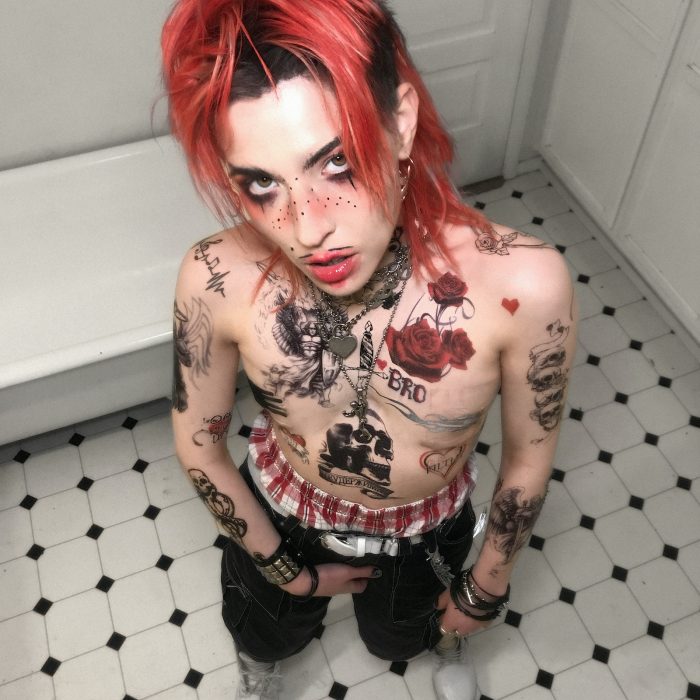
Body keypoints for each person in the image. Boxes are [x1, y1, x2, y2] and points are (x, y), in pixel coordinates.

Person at [162, 1, 577, 698]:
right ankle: (259, 670)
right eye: (261, 184)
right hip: (279, 515)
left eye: (337, 162)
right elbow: (199, 448)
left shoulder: (525, 284)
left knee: (401, 636)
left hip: (425, 533)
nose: (307, 229)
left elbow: (528, 464)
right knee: (265, 629)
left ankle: (444, 645)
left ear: (401, 121)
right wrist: (288, 572)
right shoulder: (215, 277)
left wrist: (482, 590)